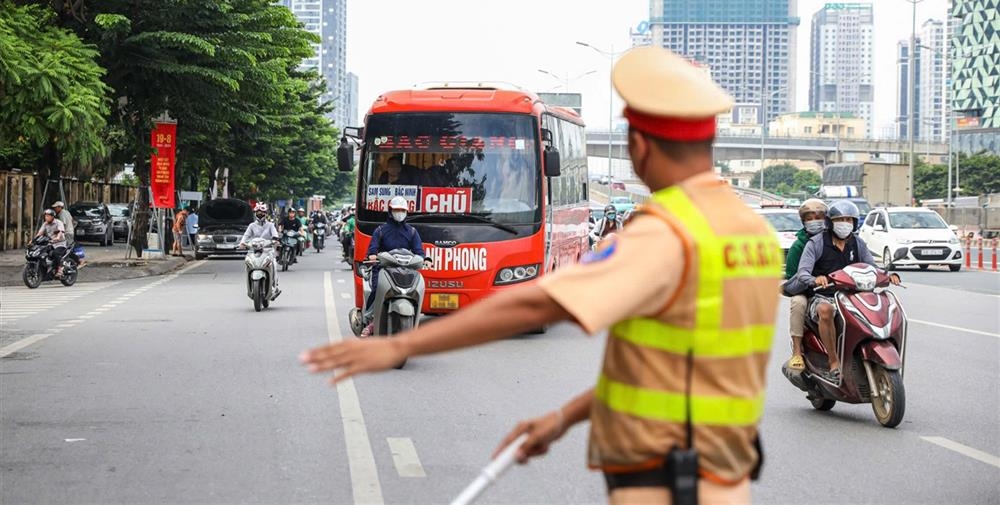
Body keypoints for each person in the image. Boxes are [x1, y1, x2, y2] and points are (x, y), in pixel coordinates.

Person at [301, 46, 784, 504]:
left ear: (638, 145)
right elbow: (669, 371)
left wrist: (403, 345)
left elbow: (538, 303)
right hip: (723, 475)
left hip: (661, 478)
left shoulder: (667, 233)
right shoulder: (753, 235)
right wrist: (560, 419)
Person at [786, 200, 900, 384]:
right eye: (840, 219)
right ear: (830, 222)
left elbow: (872, 266)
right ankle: (833, 363)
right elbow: (802, 272)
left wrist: (887, 276)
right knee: (825, 310)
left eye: (849, 219)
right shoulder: (815, 243)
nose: (844, 223)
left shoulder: (858, 243)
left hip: (853, 295)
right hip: (823, 295)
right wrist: (816, 279)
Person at [360, 196, 424, 338]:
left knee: (416, 291)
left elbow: (419, 252)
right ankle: (370, 319)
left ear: (407, 212)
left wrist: (426, 260)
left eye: (402, 210)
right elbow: (373, 249)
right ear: (390, 211)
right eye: (397, 210)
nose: (399, 213)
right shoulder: (381, 230)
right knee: (377, 289)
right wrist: (372, 256)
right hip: (384, 269)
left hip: (406, 270)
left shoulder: (412, 232)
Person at [781, 199, 828, 372]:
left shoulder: (833, 240)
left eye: (819, 216)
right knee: (798, 303)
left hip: (832, 288)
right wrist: (812, 281)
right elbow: (793, 277)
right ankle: (797, 351)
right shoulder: (798, 246)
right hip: (807, 291)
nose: (815, 220)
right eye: (810, 217)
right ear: (803, 221)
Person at [240, 203, 281, 299]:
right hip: (253, 251)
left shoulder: (270, 225)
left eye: (262, 212)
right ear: (255, 213)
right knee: (247, 264)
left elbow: (275, 235)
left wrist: (276, 241)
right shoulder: (251, 226)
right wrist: (242, 243)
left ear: (265, 213)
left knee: (274, 264)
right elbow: (246, 236)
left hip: (268, 250)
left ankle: (275, 285)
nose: (260, 214)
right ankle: (249, 285)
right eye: (258, 212)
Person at [36, 208, 68, 276]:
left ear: (52, 216)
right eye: (45, 216)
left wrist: (57, 237)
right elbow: (40, 233)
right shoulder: (45, 224)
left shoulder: (58, 222)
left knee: (55, 253)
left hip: (60, 244)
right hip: (50, 244)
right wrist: (33, 240)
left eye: (48, 216)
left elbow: (60, 231)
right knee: (41, 252)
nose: (46, 217)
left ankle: (60, 269)